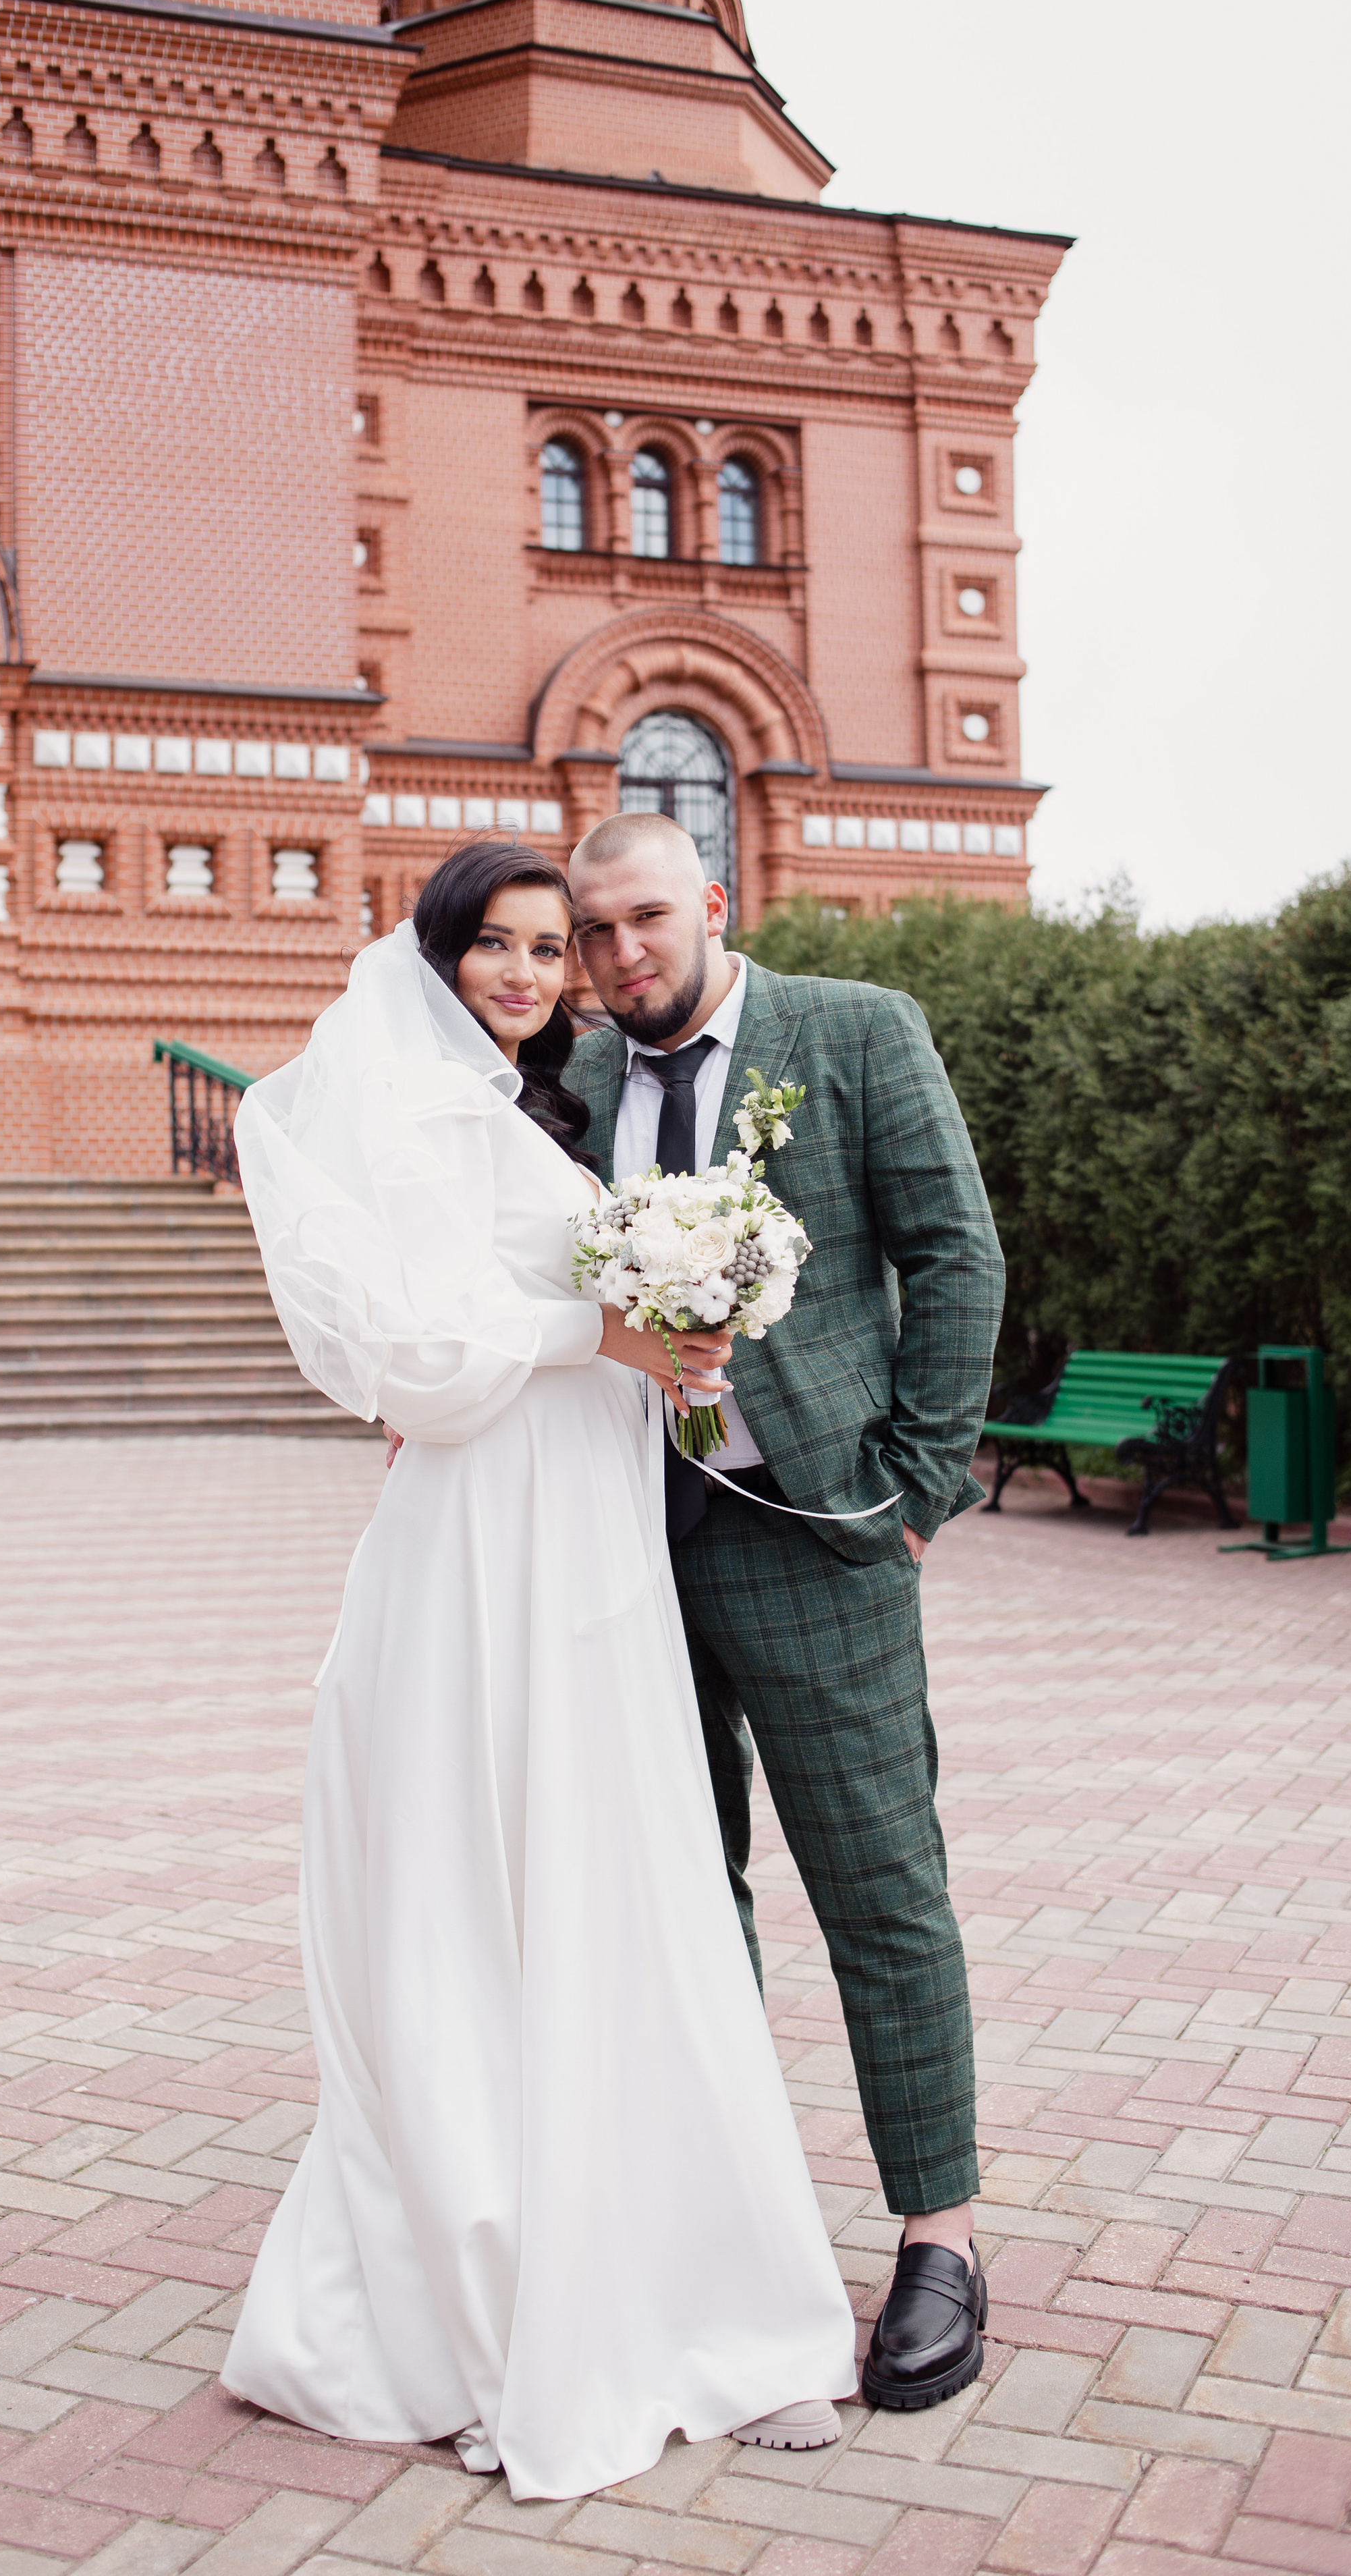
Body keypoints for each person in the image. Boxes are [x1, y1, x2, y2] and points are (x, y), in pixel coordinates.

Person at [223, 838, 858, 2498]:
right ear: (436, 958)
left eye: (543, 947)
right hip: (485, 1553)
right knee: (489, 1902)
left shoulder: (526, 1110)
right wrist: (604, 1332)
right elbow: (413, 1361)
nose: (526, 974)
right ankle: (491, 2318)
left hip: (586, 1545)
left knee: (619, 1889)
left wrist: (673, 1335)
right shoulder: (415, 1118)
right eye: (493, 946)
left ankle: (697, 2293)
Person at [564, 813, 1006, 2411]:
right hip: (622, 1544)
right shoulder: (574, 1083)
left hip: (817, 1536)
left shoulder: (853, 1031)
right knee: (685, 1897)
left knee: (880, 1891)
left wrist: (914, 1491)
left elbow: (953, 1256)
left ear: (711, 903)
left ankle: (939, 2238)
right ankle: (729, 2224)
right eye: (594, 931)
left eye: (644, 919)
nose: (620, 955)